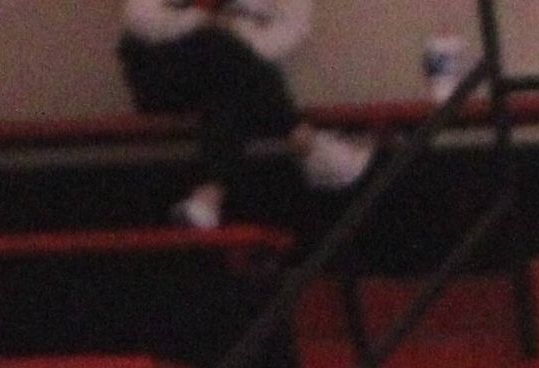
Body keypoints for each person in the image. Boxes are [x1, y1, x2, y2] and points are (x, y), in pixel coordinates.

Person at [115, 0, 368, 230]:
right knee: (219, 50)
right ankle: (307, 141)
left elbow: (285, 38)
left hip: (230, 82)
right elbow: (140, 19)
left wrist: (231, 36)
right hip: (167, 72)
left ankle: (207, 198)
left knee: (227, 88)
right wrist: (204, 22)